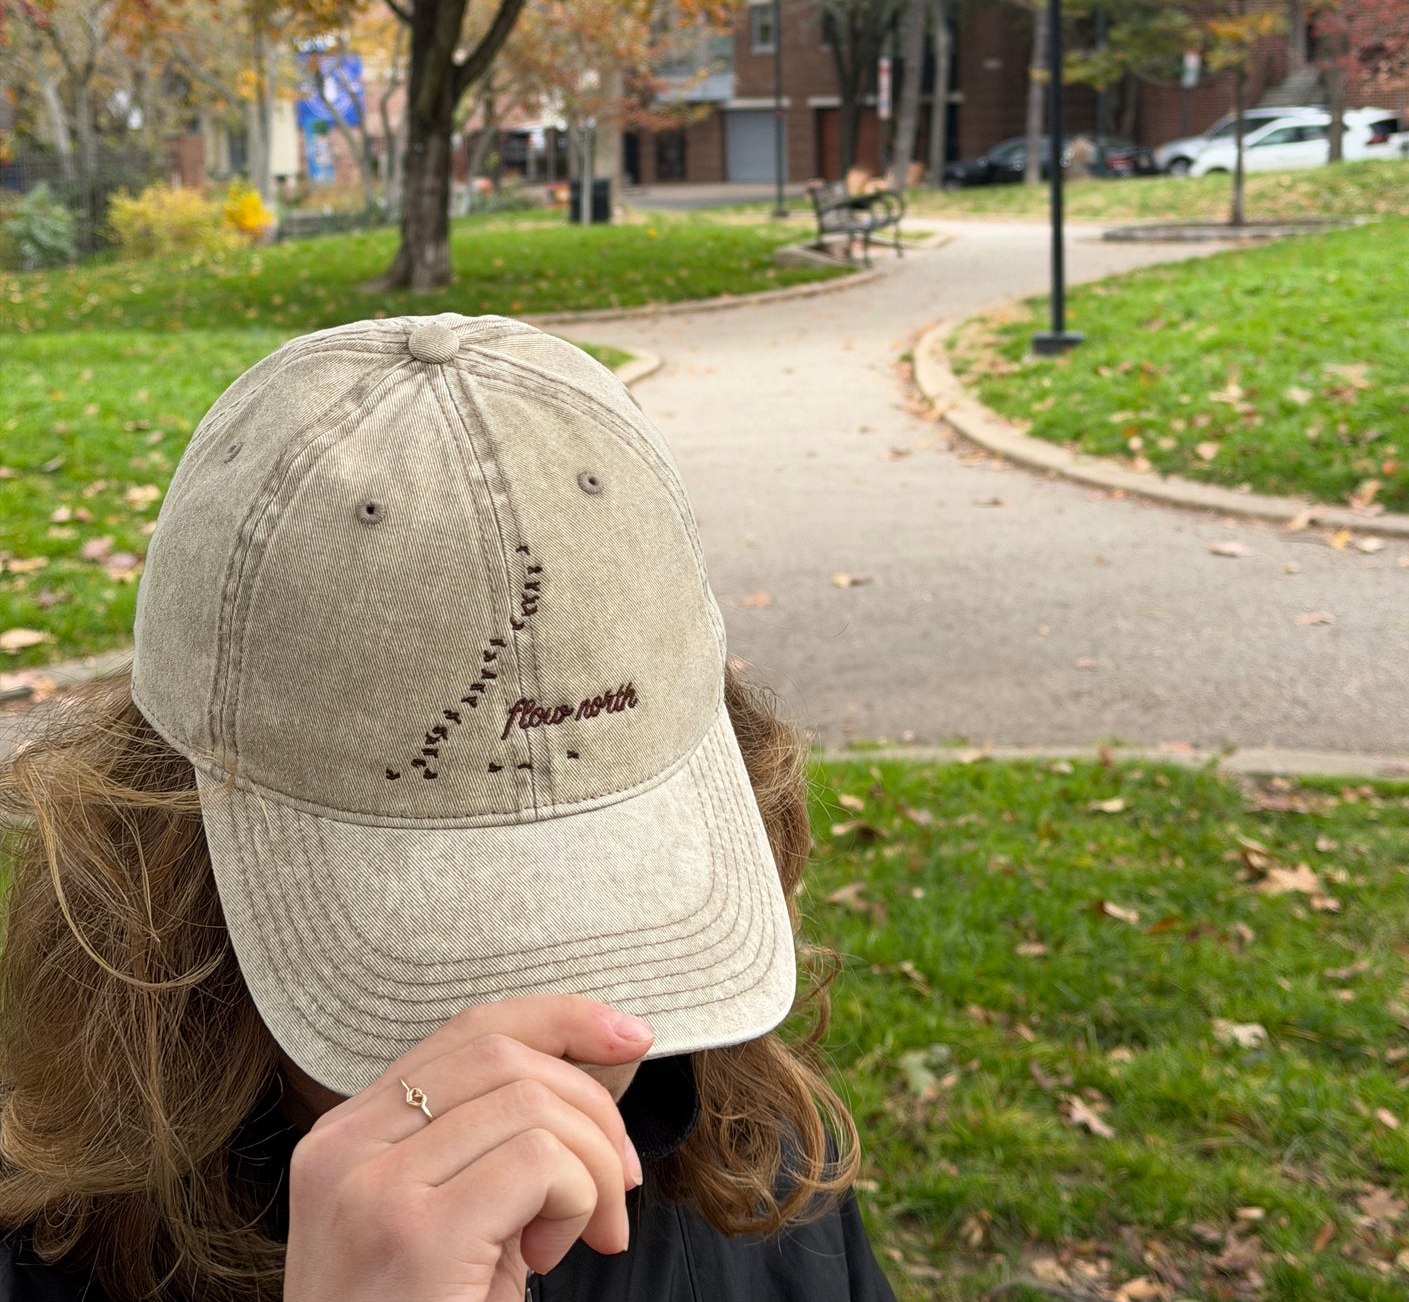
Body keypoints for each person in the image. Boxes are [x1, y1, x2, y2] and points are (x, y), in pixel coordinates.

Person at [0, 315, 897, 1301]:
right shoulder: (48, 1245)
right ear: (170, 863)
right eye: (435, 949)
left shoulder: (764, 1164)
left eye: (616, 916)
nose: (532, 1039)